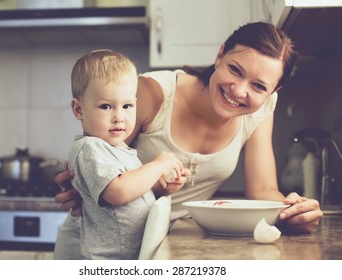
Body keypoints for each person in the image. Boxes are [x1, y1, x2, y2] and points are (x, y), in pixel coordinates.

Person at [54, 22, 323, 259]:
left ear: (274, 91)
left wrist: (293, 210)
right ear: (219, 55)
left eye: (259, 86)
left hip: (157, 246)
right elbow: (95, 157)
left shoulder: (263, 108)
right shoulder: (152, 93)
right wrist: (77, 186)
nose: (240, 90)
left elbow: (263, 191)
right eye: (235, 69)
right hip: (99, 249)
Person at [66, 49, 188, 260]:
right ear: (79, 110)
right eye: (106, 106)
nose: (119, 117)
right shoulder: (90, 148)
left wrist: (160, 187)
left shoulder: (121, 150)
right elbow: (119, 192)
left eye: (127, 106)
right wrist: (158, 165)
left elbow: (133, 196)